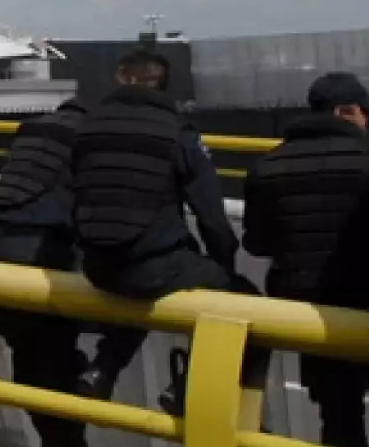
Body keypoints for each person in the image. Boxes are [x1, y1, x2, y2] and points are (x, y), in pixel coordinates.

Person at [70, 48, 257, 415]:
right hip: (150, 269)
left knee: (142, 284)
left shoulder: (88, 128)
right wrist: (223, 266)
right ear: (165, 87)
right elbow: (212, 217)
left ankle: (101, 370)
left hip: (97, 268)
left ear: (121, 78)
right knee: (242, 297)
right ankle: (188, 386)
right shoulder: (177, 133)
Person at [243, 72, 369, 447]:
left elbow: (256, 244)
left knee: (338, 413)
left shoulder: (267, 167)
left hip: (304, 305)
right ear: (347, 112)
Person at [0, 98, 102, 447]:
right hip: (42, 255)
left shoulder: (30, 133)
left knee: (30, 357)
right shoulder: (90, 139)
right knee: (60, 357)